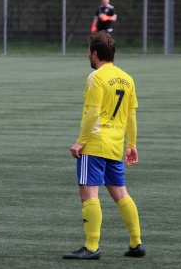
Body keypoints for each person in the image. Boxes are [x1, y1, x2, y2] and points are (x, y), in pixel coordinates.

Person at [62, 31, 145, 260]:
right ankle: (136, 243)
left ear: (95, 53)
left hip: (95, 144)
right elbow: (131, 116)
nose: (88, 55)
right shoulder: (127, 78)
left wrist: (80, 142)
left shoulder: (96, 77)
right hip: (116, 145)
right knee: (121, 194)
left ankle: (91, 247)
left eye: (89, 52)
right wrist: (132, 145)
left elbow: (93, 113)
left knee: (89, 195)